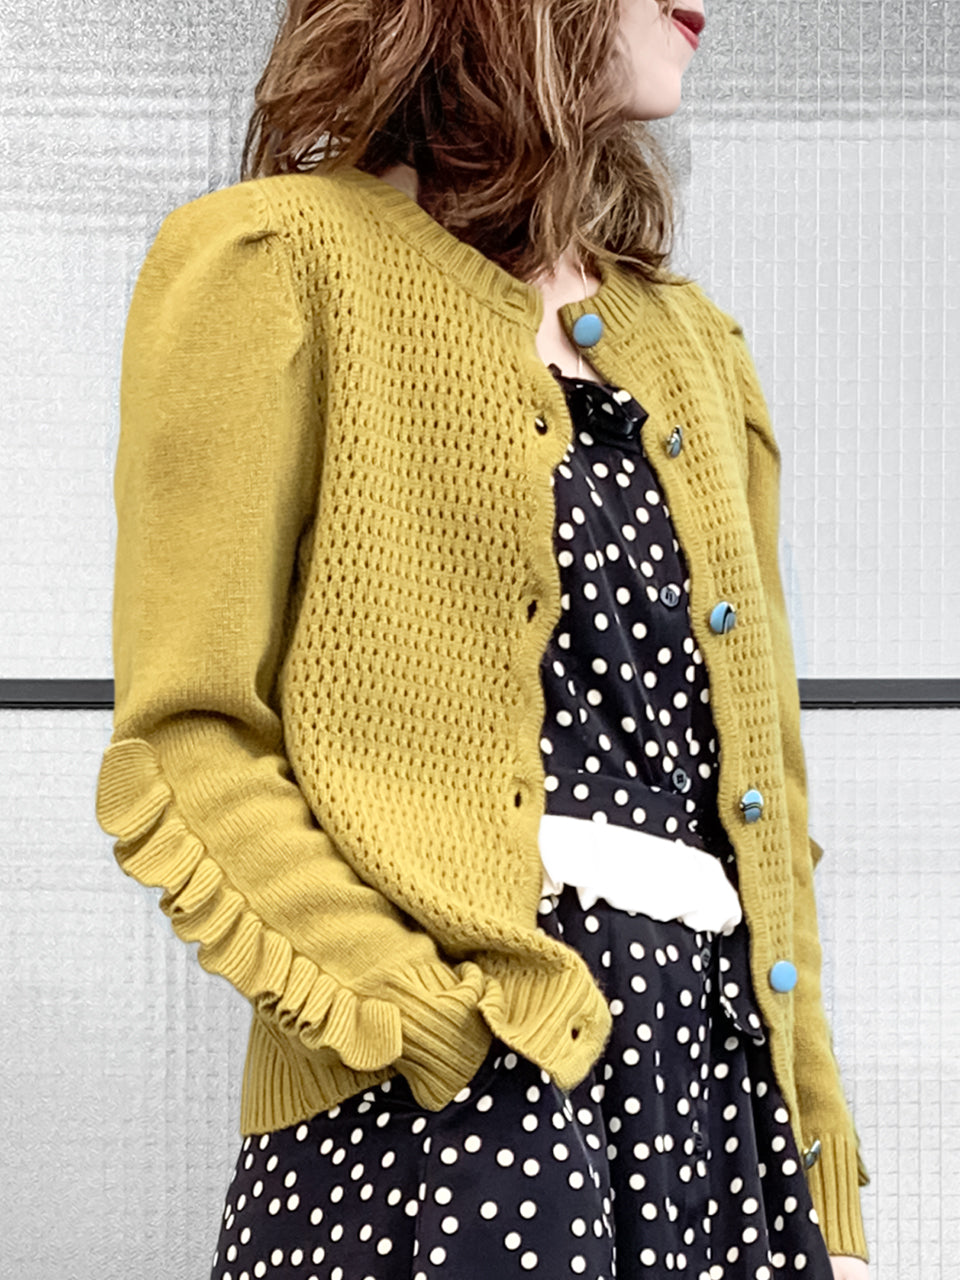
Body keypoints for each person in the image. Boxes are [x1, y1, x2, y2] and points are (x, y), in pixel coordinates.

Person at [94, 1, 872, 1276]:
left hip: (710, 1119)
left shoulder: (698, 352)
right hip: (439, 1108)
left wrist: (812, 1165)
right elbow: (189, 739)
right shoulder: (275, 261)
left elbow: (766, 811)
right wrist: (434, 1024)